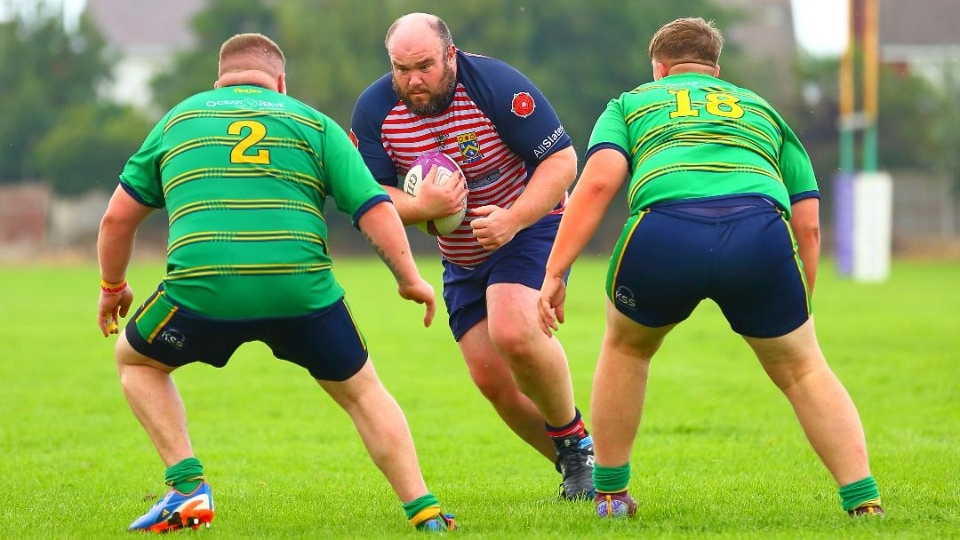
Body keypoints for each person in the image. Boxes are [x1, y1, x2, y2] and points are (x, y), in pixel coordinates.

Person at [96, 32, 456, 533]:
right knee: (363, 392)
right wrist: (409, 278)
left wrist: (114, 287)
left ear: (218, 80)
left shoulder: (179, 119)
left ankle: (187, 488)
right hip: (301, 293)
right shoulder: (312, 122)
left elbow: (117, 220)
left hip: (203, 290)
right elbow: (373, 206)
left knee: (136, 360)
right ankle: (425, 510)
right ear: (280, 82)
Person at [537, 17, 884, 519]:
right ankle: (863, 501)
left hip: (665, 232)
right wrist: (799, 298)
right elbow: (807, 222)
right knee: (804, 367)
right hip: (758, 234)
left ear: (659, 68)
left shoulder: (632, 102)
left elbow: (596, 184)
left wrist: (554, 273)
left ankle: (611, 495)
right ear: (716, 70)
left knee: (627, 349)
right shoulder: (762, 110)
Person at [350, 13, 594, 500]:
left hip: (527, 227)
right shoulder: (375, 110)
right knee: (493, 383)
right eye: (402, 69)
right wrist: (420, 208)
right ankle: (585, 466)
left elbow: (562, 160)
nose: (413, 80)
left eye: (424, 66)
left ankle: (579, 448)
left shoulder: (496, 85)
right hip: (461, 255)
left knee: (512, 330)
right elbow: (368, 194)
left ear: (450, 55)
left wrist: (514, 219)